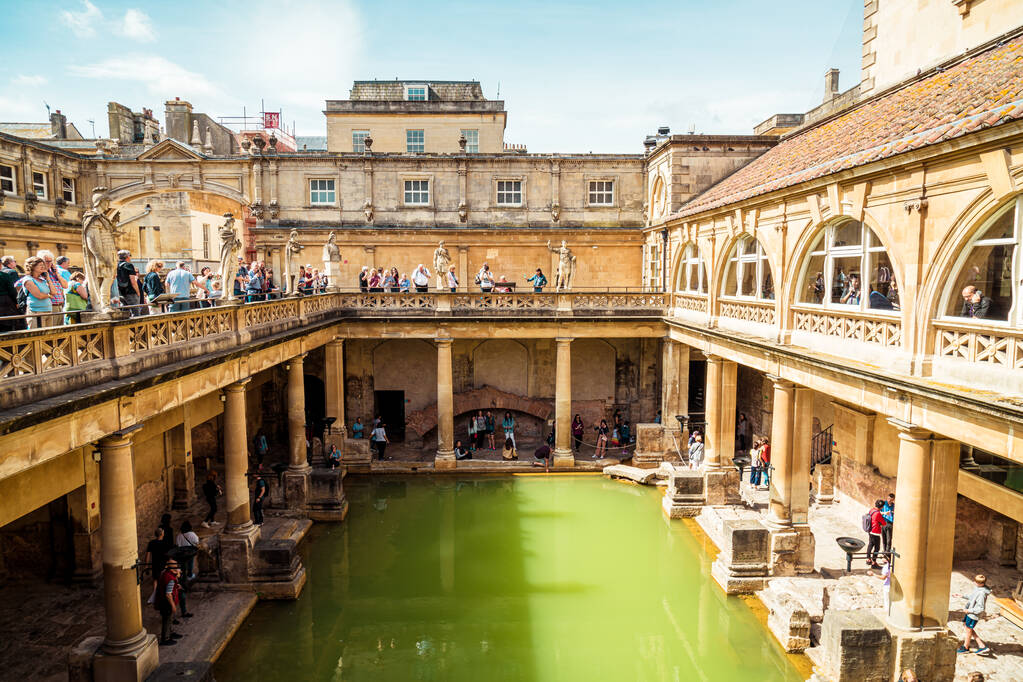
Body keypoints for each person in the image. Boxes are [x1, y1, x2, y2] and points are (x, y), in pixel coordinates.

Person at [958, 574, 991, 655]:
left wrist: (969, 611)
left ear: (980, 583)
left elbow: (980, 608)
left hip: (973, 614)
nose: (973, 582)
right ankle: (981, 645)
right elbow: (972, 597)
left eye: (975, 581)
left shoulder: (982, 593)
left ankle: (965, 648)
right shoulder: (978, 588)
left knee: (968, 630)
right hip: (970, 613)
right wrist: (961, 596)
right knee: (966, 626)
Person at [21, 256, 54, 328]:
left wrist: (48, 278)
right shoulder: (28, 280)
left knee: (49, 337)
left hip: (48, 310)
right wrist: (48, 295)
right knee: (38, 336)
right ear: (32, 267)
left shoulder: (43, 280)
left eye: (43, 265)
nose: (43, 267)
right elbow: (39, 295)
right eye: (40, 265)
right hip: (36, 312)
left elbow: (54, 292)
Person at [156, 559, 183, 646]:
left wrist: (177, 582)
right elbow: (168, 594)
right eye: (175, 566)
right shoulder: (170, 578)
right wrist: (173, 605)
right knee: (167, 620)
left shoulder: (165, 573)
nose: (177, 568)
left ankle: (170, 633)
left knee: (169, 619)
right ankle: (165, 638)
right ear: (171, 568)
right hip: (166, 603)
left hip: (164, 601)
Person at [38, 250, 67, 325]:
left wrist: (56, 273)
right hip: (50, 307)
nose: (49, 263)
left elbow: (65, 285)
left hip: (60, 306)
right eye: (47, 261)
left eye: (51, 261)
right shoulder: (39, 274)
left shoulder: (53, 273)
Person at [144, 527, 169, 606]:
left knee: (155, 580)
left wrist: (146, 565)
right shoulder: (166, 543)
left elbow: (148, 555)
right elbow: (168, 555)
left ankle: (155, 596)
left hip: (155, 564)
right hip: (163, 564)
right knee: (164, 580)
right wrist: (168, 564)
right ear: (162, 534)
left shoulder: (151, 543)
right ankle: (163, 597)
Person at [0, 255, 24, 332]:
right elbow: (12, 290)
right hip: (4, 303)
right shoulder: (5, 275)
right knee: (8, 325)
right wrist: (16, 302)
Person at [116, 250, 144, 315]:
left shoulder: (117, 266)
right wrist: (138, 292)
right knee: (136, 312)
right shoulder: (129, 265)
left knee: (125, 313)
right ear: (127, 256)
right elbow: (133, 281)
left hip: (121, 292)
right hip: (131, 292)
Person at [865, 499, 887, 569]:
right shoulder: (878, 513)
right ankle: (874, 562)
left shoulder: (872, 510)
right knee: (877, 548)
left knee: (870, 545)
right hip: (875, 532)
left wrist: (883, 514)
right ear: (882, 507)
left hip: (870, 530)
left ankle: (868, 559)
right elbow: (884, 523)